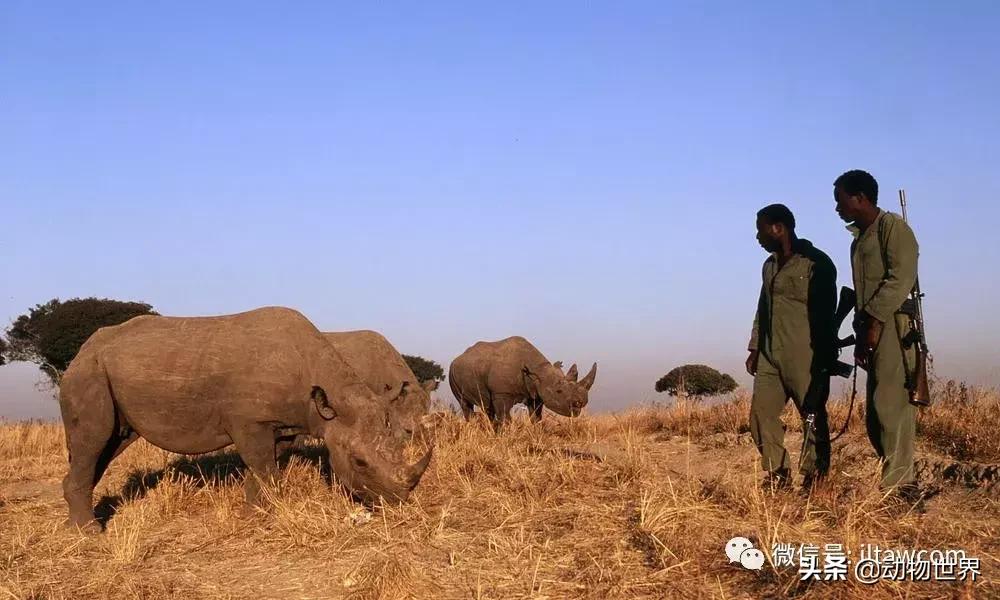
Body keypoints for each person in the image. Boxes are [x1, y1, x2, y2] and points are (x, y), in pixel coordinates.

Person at [833, 169, 920, 501]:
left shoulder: (892, 228)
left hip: (894, 329)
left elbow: (900, 279)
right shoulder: (861, 238)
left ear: (860, 198)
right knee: (875, 416)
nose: (837, 208)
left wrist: (873, 321)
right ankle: (896, 479)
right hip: (871, 330)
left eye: (840, 200)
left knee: (891, 406)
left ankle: (902, 488)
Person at [747, 204, 838, 491]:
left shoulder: (817, 263)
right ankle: (777, 473)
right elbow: (763, 309)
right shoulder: (769, 266)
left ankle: (815, 477)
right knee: (760, 415)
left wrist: (824, 357)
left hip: (805, 353)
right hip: (769, 355)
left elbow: (826, 315)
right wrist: (754, 347)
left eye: (760, 229)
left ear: (778, 228)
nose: (757, 237)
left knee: (811, 415)